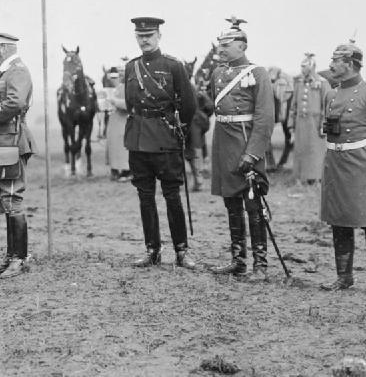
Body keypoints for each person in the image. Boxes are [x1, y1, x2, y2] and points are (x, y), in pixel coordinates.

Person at [319, 40, 366, 296]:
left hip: (364, 165)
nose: (330, 65)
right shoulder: (331, 94)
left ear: (350, 64)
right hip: (336, 165)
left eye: (335, 61)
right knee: (339, 220)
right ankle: (344, 277)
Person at [123, 17, 197, 269]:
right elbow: (130, 101)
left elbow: (189, 104)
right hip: (138, 141)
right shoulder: (131, 67)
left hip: (165, 140)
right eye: (140, 35)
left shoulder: (174, 66)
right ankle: (152, 250)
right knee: (145, 198)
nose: (144, 40)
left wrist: (178, 128)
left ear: (158, 36)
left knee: (172, 197)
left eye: (149, 35)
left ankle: (181, 251)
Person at [207, 17, 275, 280]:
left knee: (253, 204)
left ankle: (260, 265)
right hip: (223, 142)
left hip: (245, 142)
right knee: (231, 203)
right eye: (220, 44)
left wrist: (252, 152)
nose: (221, 48)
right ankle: (238, 260)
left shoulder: (257, 73)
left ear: (242, 46)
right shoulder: (217, 73)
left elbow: (265, 117)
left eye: (227, 44)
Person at [0, 32, 37, 278]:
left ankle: (19, 259)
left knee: (12, 198)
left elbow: (15, 102)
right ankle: (12, 256)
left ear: (2, 47)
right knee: (6, 198)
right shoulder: (7, 73)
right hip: (2, 144)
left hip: (11, 142)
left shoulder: (18, 71)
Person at [288, 53, 331, 185]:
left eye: (304, 66)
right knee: (301, 150)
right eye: (301, 66)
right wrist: (291, 126)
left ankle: (317, 179)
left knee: (316, 151)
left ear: (311, 67)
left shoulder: (323, 83)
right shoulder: (299, 82)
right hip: (301, 123)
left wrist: (325, 127)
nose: (302, 69)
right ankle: (301, 178)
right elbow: (293, 106)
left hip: (316, 123)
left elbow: (328, 106)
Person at [105, 61, 130, 182]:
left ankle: (127, 171)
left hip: (122, 122)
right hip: (114, 122)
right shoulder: (117, 88)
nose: (120, 75)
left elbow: (128, 104)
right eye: (118, 73)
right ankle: (115, 170)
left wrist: (114, 101)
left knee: (123, 149)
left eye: (122, 73)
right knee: (113, 148)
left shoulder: (128, 88)